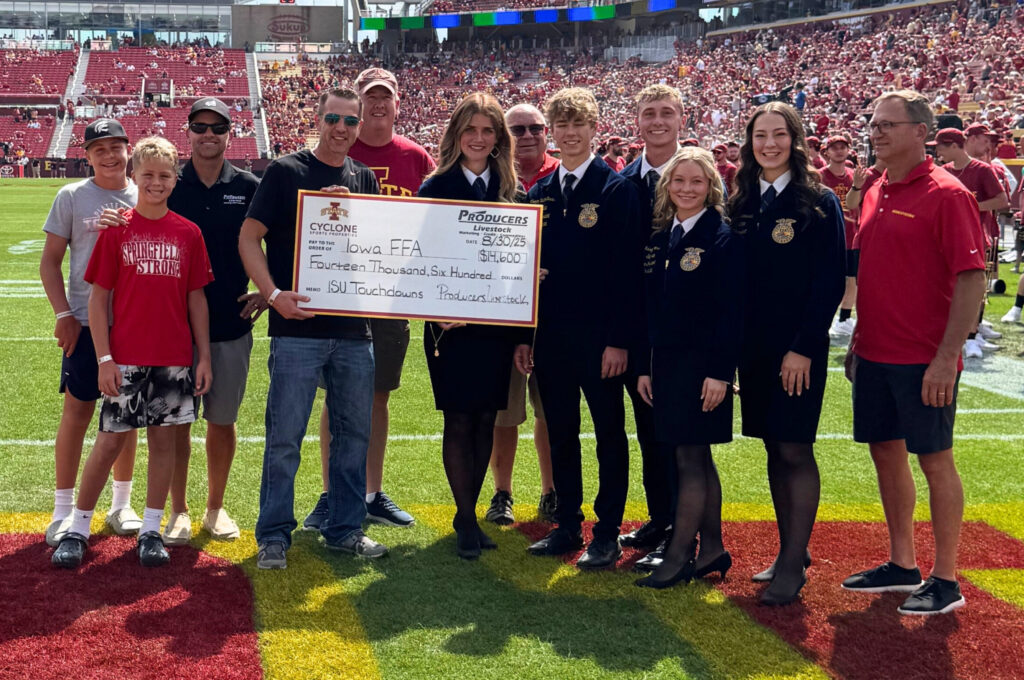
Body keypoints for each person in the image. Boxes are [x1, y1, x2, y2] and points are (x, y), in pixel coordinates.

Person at [842, 90, 986, 616]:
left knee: (935, 460)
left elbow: (972, 279)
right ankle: (903, 563)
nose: (875, 132)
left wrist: (947, 357)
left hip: (924, 358)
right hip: (876, 351)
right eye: (872, 122)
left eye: (887, 124)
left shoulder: (948, 194)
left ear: (921, 131)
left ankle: (946, 578)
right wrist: (859, 341)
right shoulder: (878, 184)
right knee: (885, 452)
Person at [239, 88, 386, 570]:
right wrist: (275, 293)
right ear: (317, 119)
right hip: (296, 327)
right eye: (332, 119)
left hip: (353, 329)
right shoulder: (286, 171)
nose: (341, 128)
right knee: (285, 436)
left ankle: (345, 528)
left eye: (350, 121)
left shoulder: (364, 177)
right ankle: (274, 534)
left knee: (353, 436)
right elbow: (249, 237)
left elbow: (376, 247)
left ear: (360, 125)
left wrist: (351, 216)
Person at [51, 136, 214, 569]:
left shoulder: (188, 232)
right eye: (148, 176)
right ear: (134, 177)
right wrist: (105, 358)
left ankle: (151, 529)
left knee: (163, 444)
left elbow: (196, 299)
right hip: (126, 358)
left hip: (174, 357)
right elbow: (97, 300)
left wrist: (204, 357)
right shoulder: (117, 229)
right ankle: (78, 527)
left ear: (175, 180)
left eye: (164, 176)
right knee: (108, 443)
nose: (156, 183)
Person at [304, 68, 435, 533]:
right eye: (369, 98)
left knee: (378, 395)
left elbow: (435, 227)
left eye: (386, 97)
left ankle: (370, 491)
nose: (378, 105)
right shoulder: (338, 151)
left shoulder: (417, 157)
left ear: (398, 104)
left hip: (390, 298)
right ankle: (328, 493)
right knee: (333, 397)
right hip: (339, 295)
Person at [728, 101, 846, 605]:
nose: (769, 144)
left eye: (779, 134)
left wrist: (802, 348)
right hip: (754, 351)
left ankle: (794, 564)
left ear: (795, 141)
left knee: (795, 447)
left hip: (797, 351)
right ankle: (789, 551)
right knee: (774, 447)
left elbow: (828, 284)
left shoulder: (818, 201)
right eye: (760, 136)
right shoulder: (742, 201)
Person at [525, 87, 642, 571]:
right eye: (562, 125)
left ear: (595, 129)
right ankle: (568, 524)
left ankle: (608, 531)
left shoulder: (616, 190)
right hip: (552, 338)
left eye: (579, 124)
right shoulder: (539, 195)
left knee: (609, 433)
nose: (570, 134)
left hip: (601, 341)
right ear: (552, 132)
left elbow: (630, 273)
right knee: (561, 431)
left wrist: (619, 339)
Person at [416, 93, 532, 559]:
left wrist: (524, 332)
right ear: (456, 135)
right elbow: (417, 260)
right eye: (470, 130)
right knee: (459, 418)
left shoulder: (514, 193)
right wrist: (434, 308)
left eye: (488, 131)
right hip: (449, 328)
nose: (479, 139)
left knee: (487, 417)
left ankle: (469, 510)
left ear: (499, 138)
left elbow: (522, 270)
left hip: (496, 328)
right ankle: (465, 517)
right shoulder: (434, 188)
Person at [633, 148, 743, 589]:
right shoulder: (663, 237)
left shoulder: (722, 238)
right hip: (667, 367)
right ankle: (712, 548)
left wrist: (721, 372)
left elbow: (731, 313)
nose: (686, 188)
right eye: (679, 181)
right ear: (667, 186)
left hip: (702, 370)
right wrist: (644, 366)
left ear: (712, 186)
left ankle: (679, 555)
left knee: (691, 458)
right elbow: (649, 310)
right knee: (691, 455)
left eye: (697, 181)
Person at [39, 119, 141, 549]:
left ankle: (122, 503)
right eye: (99, 149)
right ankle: (63, 509)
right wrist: (62, 313)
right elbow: (50, 262)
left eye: (116, 147)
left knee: (127, 419)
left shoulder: (145, 194)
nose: (109, 156)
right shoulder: (72, 196)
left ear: (128, 149)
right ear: (87, 155)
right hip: (83, 320)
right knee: (78, 413)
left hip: (133, 322)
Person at [486, 102, 559, 526]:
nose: (528, 135)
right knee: (505, 411)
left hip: (553, 316)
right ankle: (503, 492)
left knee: (550, 409)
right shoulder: (495, 182)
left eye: (535, 128)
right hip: (503, 314)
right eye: (518, 129)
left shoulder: (562, 177)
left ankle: (550, 490)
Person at [619, 84, 682, 568]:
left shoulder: (698, 175)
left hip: (685, 331)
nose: (657, 121)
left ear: (681, 119)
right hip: (638, 328)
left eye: (666, 113)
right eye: (649, 114)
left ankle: (683, 532)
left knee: (680, 436)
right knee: (648, 430)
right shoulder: (624, 183)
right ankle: (661, 517)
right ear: (636, 121)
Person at [930, 127, 1009, 359]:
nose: (938, 153)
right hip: (944, 238)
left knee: (972, 290)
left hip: (974, 236)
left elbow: (1002, 200)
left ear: (955, 145)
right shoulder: (942, 171)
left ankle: (972, 337)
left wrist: (971, 206)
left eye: (942, 147)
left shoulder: (982, 170)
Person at [820, 135, 859, 338]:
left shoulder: (854, 175)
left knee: (852, 280)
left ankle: (844, 318)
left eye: (843, 147)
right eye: (834, 148)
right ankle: (822, 316)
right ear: (827, 152)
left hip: (852, 236)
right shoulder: (819, 176)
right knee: (826, 279)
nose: (839, 151)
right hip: (828, 236)